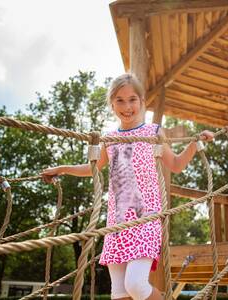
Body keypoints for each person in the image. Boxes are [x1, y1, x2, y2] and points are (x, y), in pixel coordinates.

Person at [41, 73, 214, 300]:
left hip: (145, 218)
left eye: (132, 99)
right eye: (120, 100)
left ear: (142, 102)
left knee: (136, 285)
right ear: (112, 104)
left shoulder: (153, 132)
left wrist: (195, 142)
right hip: (117, 220)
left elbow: (176, 164)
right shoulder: (110, 138)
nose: (127, 106)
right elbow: (91, 168)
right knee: (119, 293)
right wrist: (62, 168)